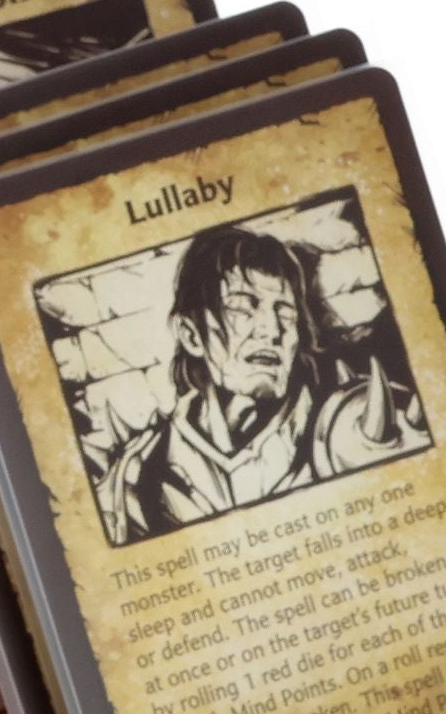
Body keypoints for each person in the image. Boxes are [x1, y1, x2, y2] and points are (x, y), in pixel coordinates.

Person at [97, 224, 424, 539]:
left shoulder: (348, 430)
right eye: (242, 308)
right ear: (191, 335)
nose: (272, 330)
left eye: (285, 313)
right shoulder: (143, 469)